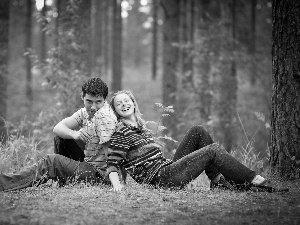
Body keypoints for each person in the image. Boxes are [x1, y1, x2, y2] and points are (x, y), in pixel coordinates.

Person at [106, 90, 289, 193]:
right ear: (115, 111)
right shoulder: (121, 132)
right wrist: (117, 187)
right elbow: (113, 163)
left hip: (167, 169)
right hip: (161, 179)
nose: (123, 104)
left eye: (126, 100)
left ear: (133, 103)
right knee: (213, 150)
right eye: (118, 104)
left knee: (197, 131)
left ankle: (218, 182)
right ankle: (254, 179)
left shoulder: (141, 128)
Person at [0, 78, 123, 192]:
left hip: (100, 174)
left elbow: (112, 154)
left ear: (105, 100)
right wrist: (74, 134)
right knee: (62, 137)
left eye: (98, 102)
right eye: (89, 101)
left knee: (52, 161)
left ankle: (4, 183)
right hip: (89, 164)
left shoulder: (105, 117)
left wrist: (115, 182)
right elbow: (58, 128)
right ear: (82, 97)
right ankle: (63, 180)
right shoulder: (85, 112)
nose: (93, 107)